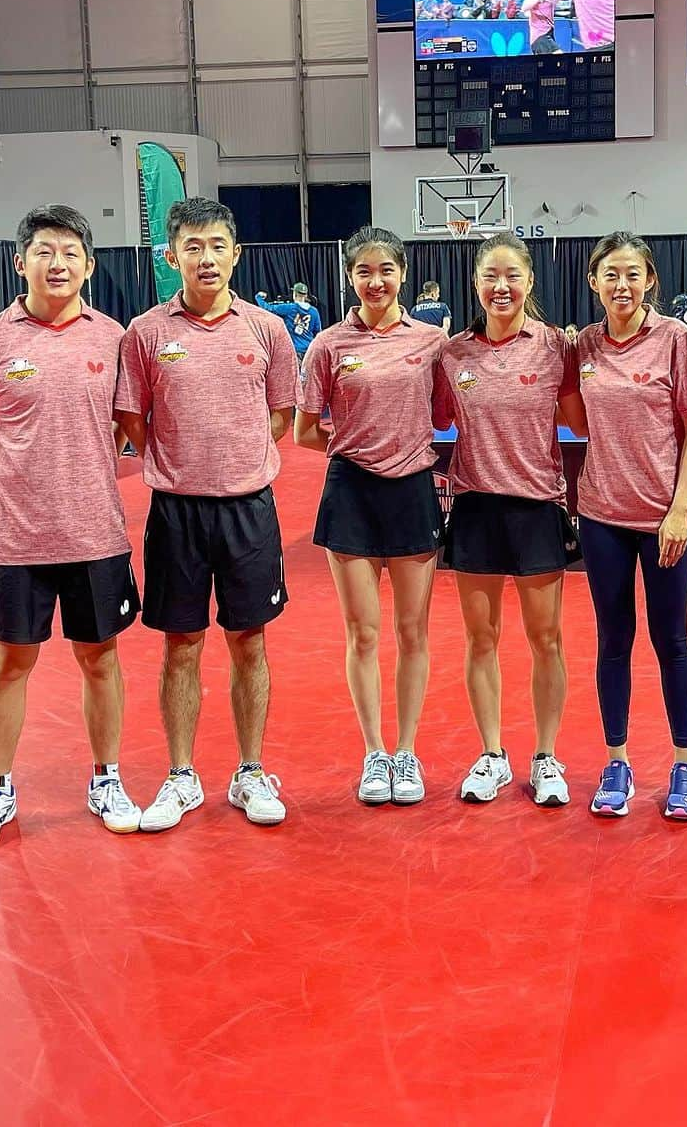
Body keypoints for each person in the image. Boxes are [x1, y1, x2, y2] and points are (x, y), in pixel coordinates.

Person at [115, 197, 299, 833]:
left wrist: (232, 462)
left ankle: (251, 771)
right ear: (172, 257)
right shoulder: (145, 334)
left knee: (251, 641)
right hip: (175, 515)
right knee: (181, 646)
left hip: (250, 510)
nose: (206, 258)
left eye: (217, 245)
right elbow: (132, 422)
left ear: (236, 253)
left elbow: (279, 418)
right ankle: (180, 775)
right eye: (192, 246)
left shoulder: (267, 330)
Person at [0, 206, 142, 851]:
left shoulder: (113, 338)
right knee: (10, 663)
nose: (58, 263)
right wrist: (17, 489)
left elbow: (128, 429)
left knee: (101, 659)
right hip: (16, 540)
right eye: (45, 251)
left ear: (90, 266)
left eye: (71, 252)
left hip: (96, 532)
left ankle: (107, 779)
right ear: (20, 262)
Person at [431, 233, 586, 808]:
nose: (502, 287)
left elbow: (579, 417)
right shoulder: (452, 355)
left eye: (512, 275)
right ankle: (492, 755)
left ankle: (546, 757)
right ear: (475, 283)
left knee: (547, 639)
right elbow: (431, 417)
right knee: (482, 639)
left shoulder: (554, 347)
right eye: (490, 276)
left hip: (537, 506)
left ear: (529, 282)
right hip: (474, 508)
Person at [294, 228, 447, 806]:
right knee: (362, 633)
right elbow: (308, 431)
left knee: (412, 632)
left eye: (385, 269)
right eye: (363, 271)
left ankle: (406, 753)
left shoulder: (432, 342)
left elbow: (442, 414)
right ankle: (374, 754)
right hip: (351, 494)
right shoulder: (328, 345)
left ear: (403, 273)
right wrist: (356, 446)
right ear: (349, 277)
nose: (375, 281)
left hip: (411, 492)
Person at [575, 233, 687, 820]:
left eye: (632, 274)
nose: (622, 285)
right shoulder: (583, 345)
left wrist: (679, 508)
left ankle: (684, 765)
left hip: (665, 520)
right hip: (602, 515)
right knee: (613, 642)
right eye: (611, 275)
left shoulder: (676, 339)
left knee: (671, 640)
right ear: (594, 283)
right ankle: (617, 761)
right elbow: (573, 416)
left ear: (649, 279)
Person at [254, 281, 322, 360]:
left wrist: (258, 297)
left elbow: (268, 308)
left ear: (295, 294)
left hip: (295, 350)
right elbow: (318, 333)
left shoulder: (289, 308)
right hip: (309, 351)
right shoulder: (314, 311)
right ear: (306, 295)